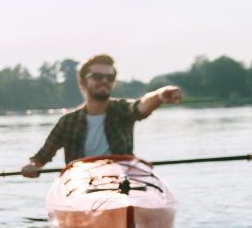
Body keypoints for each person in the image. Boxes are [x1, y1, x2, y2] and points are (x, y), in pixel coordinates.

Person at [21, 54, 183, 177]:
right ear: (82, 82)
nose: (104, 81)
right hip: (81, 182)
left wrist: (161, 95)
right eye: (97, 77)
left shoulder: (122, 110)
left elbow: (141, 106)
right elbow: (41, 157)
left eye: (110, 77)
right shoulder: (67, 122)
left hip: (122, 179)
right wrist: (32, 166)